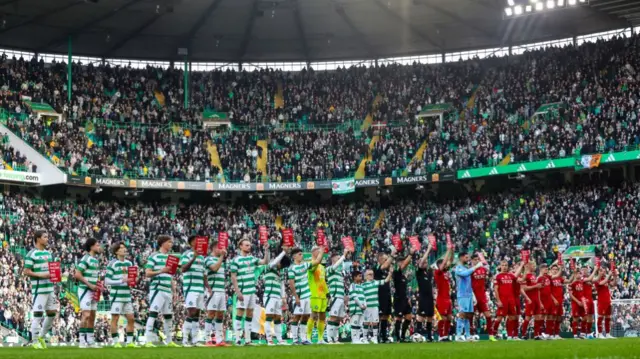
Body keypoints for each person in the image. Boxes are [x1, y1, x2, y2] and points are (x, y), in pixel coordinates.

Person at [230, 238, 270, 346]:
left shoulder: (252, 259)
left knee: (249, 315)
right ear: (241, 247)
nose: (249, 247)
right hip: (243, 292)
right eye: (246, 245)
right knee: (239, 314)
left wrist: (266, 250)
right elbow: (233, 277)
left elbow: (265, 262)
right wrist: (237, 291)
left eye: (249, 245)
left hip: (252, 291)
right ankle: (237, 339)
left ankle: (248, 340)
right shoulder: (235, 260)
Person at [143, 235, 180, 347]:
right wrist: (160, 271)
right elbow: (147, 273)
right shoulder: (154, 256)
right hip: (157, 289)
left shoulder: (170, 258)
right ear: (162, 243)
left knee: (168, 315)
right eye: (169, 242)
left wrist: (174, 291)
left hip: (167, 290)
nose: (171, 244)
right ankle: (147, 340)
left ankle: (169, 341)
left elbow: (171, 276)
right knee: (153, 314)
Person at [24, 230, 57, 349]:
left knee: (52, 314)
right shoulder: (31, 254)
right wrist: (41, 275)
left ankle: (41, 337)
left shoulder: (49, 254)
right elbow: (26, 271)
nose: (47, 239)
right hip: (39, 289)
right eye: (45, 237)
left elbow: (52, 270)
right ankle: (34, 341)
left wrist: (56, 274)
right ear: (38, 239)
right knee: (38, 315)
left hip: (50, 288)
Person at [105, 241, 137, 348]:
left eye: (125, 248)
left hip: (127, 295)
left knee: (131, 318)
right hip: (116, 296)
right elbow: (107, 280)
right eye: (122, 248)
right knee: (115, 318)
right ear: (116, 251)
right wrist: (121, 280)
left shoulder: (129, 263)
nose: (124, 249)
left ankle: (130, 342)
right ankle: (115, 342)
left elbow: (132, 280)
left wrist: (133, 280)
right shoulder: (112, 264)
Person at [287, 247, 322, 345]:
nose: (301, 255)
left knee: (306, 317)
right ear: (294, 256)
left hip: (307, 295)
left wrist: (322, 251)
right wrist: (296, 297)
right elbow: (291, 284)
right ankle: (294, 339)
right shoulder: (291, 268)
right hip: (300, 296)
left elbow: (318, 261)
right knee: (296, 317)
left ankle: (303, 339)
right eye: (299, 254)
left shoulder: (305, 265)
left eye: (302, 254)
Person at [74, 237, 103, 348]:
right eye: (97, 245)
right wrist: (89, 284)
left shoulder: (95, 260)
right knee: (85, 315)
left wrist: (98, 285)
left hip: (94, 291)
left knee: (92, 316)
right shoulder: (86, 258)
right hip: (85, 290)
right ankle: (81, 341)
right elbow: (77, 274)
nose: (99, 247)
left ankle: (90, 341)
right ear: (91, 246)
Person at [179, 236, 206, 347]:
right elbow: (183, 269)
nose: (198, 242)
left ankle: (195, 341)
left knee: (197, 315)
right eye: (196, 241)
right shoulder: (187, 254)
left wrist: (208, 287)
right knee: (191, 313)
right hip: (190, 288)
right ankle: (185, 340)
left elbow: (204, 273)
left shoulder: (202, 257)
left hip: (200, 288)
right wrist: (193, 258)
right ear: (191, 243)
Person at [453, 251, 484, 342]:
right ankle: (458, 335)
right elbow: (465, 274)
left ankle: (468, 335)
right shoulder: (458, 268)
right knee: (462, 314)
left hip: (469, 294)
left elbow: (469, 282)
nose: (468, 259)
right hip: (462, 295)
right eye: (466, 257)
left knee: (468, 315)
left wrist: (473, 294)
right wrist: (476, 266)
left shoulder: (466, 268)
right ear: (461, 258)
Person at [262, 245, 289, 346]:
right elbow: (274, 262)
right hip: (269, 296)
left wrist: (284, 298)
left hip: (278, 297)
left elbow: (282, 285)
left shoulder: (280, 272)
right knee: (269, 317)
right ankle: (269, 340)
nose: (281, 267)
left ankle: (280, 339)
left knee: (278, 318)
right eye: (281, 265)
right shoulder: (269, 267)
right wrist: (283, 252)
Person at [204, 241, 228, 346]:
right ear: (214, 248)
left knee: (220, 315)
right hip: (213, 291)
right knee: (211, 314)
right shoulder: (208, 259)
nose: (222, 250)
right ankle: (207, 339)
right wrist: (222, 256)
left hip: (221, 290)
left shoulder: (222, 261)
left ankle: (219, 340)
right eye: (220, 248)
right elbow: (214, 268)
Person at [307, 246, 330, 344]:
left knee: (322, 317)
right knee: (313, 315)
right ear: (313, 252)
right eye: (318, 251)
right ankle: (308, 337)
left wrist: (327, 292)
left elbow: (323, 281)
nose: (320, 253)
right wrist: (321, 253)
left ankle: (320, 339)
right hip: (314, 293)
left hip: (322, 295)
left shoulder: (322, 267)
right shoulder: (310, 263)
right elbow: (315, 264)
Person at [361, 268, 392, 344]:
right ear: (365, 276)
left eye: (372, 274)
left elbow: (385, 281)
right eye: (370, 274)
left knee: (375, 322)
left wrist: (390, 273)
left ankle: (374, 338)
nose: (371, 276)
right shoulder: (363, 285)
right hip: (367, 307)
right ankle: (365, 338)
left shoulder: (375, 282)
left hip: (375, 306)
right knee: (366, 322)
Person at [392, 247, 416, 343]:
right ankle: (397, 337)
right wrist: (410, 254)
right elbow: (405, 264)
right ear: (398, 263)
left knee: (409, 317)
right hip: (398, 299)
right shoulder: (396, 272)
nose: (403, 264)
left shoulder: (403, 276)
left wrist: (408, 298)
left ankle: (402, 336)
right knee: (398, 318)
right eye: (401, 262)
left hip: (405, 299)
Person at [326, 248, 349, 344]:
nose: (340, 260)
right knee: (333, 317)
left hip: (340, 297)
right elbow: (336, 265)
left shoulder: (340, 273)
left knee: (338, 319)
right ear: (333, 259)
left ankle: (335, 338)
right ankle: (329, 338)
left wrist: (344, 297)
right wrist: (344, 256)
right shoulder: (329, 269)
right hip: (334, 297)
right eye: (338, 258)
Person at [492, 260, 520, 340]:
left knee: (512, 317)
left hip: (511, 300)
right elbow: (496, 289)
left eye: (506, 265)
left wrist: (522, 265)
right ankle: (493, 334)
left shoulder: (511, 276)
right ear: (500, 266)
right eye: (503, 265)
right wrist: (498, 301)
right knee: (499, 318)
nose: (504, 267)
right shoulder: (497, 276)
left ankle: (510, 335)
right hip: (503, 300)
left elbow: (518, 277)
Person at [470, 253, 495, 341]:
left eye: (478, 259)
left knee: (488, 315)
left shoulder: (483, 269)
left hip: (482, 296)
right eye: (475, 259)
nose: (476, 261)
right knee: (471, 316)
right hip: (473, 296)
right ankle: (471, 334)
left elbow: (491, 275)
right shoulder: (470, 270)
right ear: (471, 261)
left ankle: (491, 335)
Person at [373, 249, 395, 343]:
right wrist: (392, 255)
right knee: (380, 316)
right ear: (380, 259)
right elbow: (385, 265)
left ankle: (384, 337)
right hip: (380, 295)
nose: (387, 261)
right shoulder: (377, 268)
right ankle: (377, 336)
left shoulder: (386, 270)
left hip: (387, 294)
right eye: (385, 259)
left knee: (386, 316)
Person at [434, 244, 454, 342]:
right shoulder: (438, 273)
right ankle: (441, 336)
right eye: (444, 264)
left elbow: (450, 261)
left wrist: (452, 251)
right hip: (441, 298)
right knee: (443, 318)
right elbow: (445, 262)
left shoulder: (446, 272)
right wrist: (447, 250)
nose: (446, 265)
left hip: (448, 298)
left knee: (449, 318)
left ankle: (445, 335)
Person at [416, 242, 435, 342]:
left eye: (426, 262)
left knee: (430, 317)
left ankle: (429, 336)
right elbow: (421, 261)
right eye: (423, 262)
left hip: (430, 298)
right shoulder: (418, 272)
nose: (425, 262)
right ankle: (418, 334)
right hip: (423, 297)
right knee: (421, 316)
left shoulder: (428, 273)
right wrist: (428, 249)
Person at [521, 261, 541, 340]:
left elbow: (536, 288)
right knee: (528, 317)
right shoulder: (526, 276)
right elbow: (524, 288)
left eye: (535, 265)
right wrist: (536, 286)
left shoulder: (533, 276)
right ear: (528, 266)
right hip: (530, 299)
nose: (534, 266)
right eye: (533, 265)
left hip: (536, 299)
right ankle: (523, 334)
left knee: (538, 317)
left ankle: (536, 335)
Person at [594, 266, 615, 339]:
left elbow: (613, 285)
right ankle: (599, 333)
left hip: (608, 301)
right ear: (598, 272)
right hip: (601, 301)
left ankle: (608, 333)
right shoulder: (597, 280)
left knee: (608, 318)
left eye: (604, 270)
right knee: (600, 317)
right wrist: (609, 275)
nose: (603, 272)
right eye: (601, 271)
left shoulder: (605, 279)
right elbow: (601, 283)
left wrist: (615, 276)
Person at [348, 271, 366, 344]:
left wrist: (365, 305)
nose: (361, 277)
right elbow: (355, 297)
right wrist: (361, 305)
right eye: (359, 276)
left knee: (359, 324)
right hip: (355, 308)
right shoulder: (352, 285)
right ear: (354, 277)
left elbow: (364, 297)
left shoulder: (361, 286)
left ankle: (357, 339)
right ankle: (354, 339)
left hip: (361, 309)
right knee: (354, 324)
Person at [569, 266, 586, 339]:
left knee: (585, 317)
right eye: (577, 273)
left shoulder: (582, 282)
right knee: (575, 318)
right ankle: (575, 335)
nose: (579, 275)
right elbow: (570, 295)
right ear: (575, 275)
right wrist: (578, 301)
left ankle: (582, 333)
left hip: (582, 302)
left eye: (580, 273)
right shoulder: (572, 284)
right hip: (575, 303)